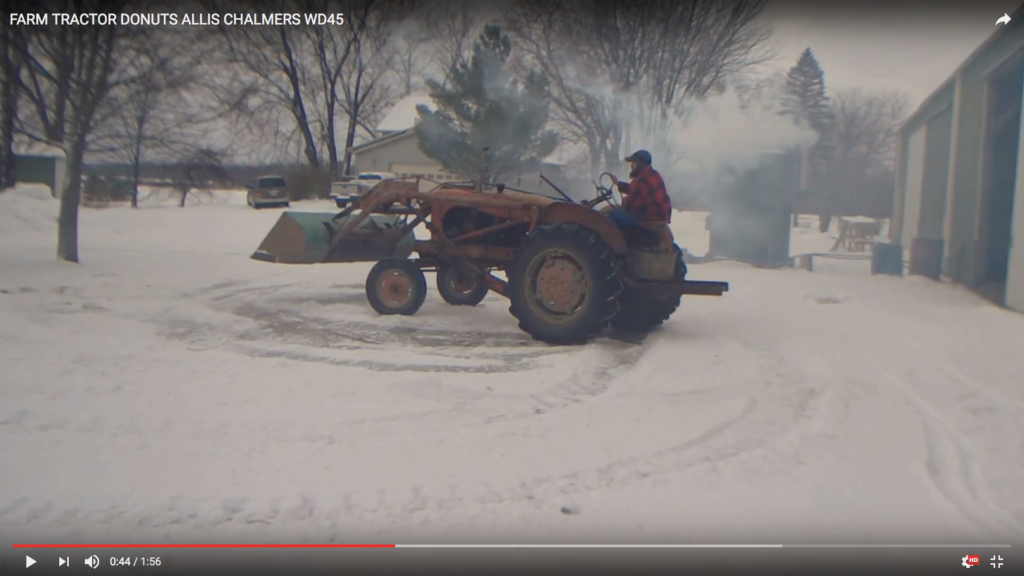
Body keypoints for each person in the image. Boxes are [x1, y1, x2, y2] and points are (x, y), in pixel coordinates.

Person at [607, 150, 675, 250]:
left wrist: (625, 202)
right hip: (660, 217)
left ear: (641, 164)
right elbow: (636, 190)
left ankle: (617, 249)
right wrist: (618, 183)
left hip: (649, 218)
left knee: (612, 216)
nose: (632, 166)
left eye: (634, 163)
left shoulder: (641, 180)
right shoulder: (653, 175)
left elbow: (631, 208)